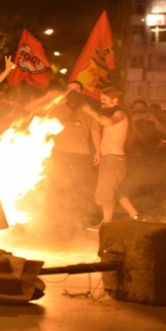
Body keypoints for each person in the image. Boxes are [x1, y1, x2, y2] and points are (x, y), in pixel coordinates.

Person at [26, 82, 102, 229]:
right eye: (69, 89)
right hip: (59, 153)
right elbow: (29, 109)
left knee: (78, 188)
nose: (72, 92)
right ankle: (56, 218)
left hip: (80, 154)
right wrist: (47, 96)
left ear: (82, 91)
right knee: (56, 186)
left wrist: (98, 151)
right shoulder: (57, 107)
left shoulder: (88, 109)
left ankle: (78, 219)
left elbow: (95, 131)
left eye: (75, 89)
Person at [81, 88, 140, 230]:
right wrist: (98, 153)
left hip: (113, 159)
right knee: (118, 191)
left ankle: (106, 224)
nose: (102, 103)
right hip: (111, 158)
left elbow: (108, 122)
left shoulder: (120, 113)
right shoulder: (116, 113)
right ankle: (135, 215)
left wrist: (89, 110)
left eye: (104, 100)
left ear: (115, 100)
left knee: (106, 191)